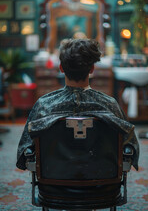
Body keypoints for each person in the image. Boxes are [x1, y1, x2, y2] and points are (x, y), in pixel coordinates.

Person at [16, 38, 139, 170]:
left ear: (61, 68)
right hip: (103, 183)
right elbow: (130, 147)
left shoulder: (43, 105)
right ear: (92, 69)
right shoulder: (110, 104)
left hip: (53, 182)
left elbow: (25, 150)